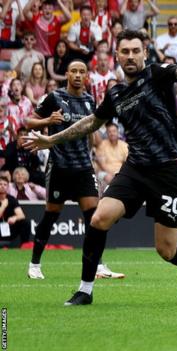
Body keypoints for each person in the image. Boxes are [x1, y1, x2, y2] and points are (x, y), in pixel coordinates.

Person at [23, 29, 177, 305]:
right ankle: (85, 290)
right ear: (117, 56)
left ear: (144, 53)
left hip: (168, 172)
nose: (131, 56)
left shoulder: (157, 74)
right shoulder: (115, 94)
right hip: (135, 168)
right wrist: (51, 138)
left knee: (166, 249)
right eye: (125, 51)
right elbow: (91, 123)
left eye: (136, 50)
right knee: (99, 219)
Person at [25, 60, 123, 281]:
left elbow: (92, 134)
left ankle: (97, 264)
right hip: (59, 167)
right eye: (74, 71)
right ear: (67, 74)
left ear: (86, 76)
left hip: (83, 168)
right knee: (51, 216)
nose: (78, 75)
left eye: (82, 72)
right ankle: (34, 264)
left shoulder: (90, 100)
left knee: (94, 217)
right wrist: (48, 120)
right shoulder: (54, 98)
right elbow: (28, 122)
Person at [94, 122, 128, 187]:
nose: (112, 133)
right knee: (108, 177)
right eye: (109, 132)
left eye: (114, 131)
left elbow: (127, 163)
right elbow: (101, 164)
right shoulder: (102, 145)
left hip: (120, 173)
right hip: (105, 172)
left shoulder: (124, 146)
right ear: (107, 133)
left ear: (118, 132)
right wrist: (112, 174)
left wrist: (120, 174)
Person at [0, 176, 27, 248]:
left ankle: (25, 246)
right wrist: (3, 206)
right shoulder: (4, 203)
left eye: (5, 185)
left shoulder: (11, 199)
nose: (2, 186)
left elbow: (22, 215)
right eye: (0, 184)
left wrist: (15, 217)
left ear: (8, 187)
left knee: (25, 222)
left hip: (9, 228)